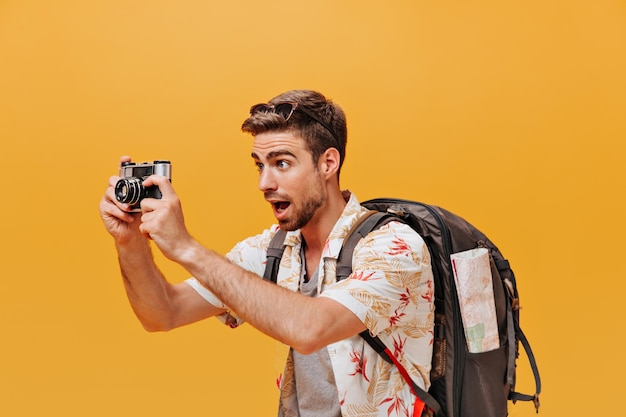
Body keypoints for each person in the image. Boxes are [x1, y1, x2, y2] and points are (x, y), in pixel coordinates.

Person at [99, 89, 435, 417]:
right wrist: (130, 242)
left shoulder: (392, 247)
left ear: (328, 163)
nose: (265, 183)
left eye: (282, 163)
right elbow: (163, 313)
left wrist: (186, 248)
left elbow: (310, 330)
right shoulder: (272, 250)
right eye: (260, 165)